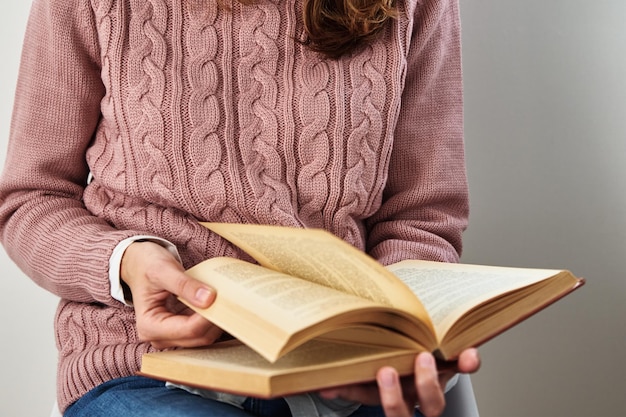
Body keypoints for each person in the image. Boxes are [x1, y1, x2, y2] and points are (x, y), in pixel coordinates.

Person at [0, 0, 480, 416]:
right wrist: (127, 261)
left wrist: (393, 341)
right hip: (145, 366)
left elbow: (421, 216)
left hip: (344, 376)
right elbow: (30, 199)